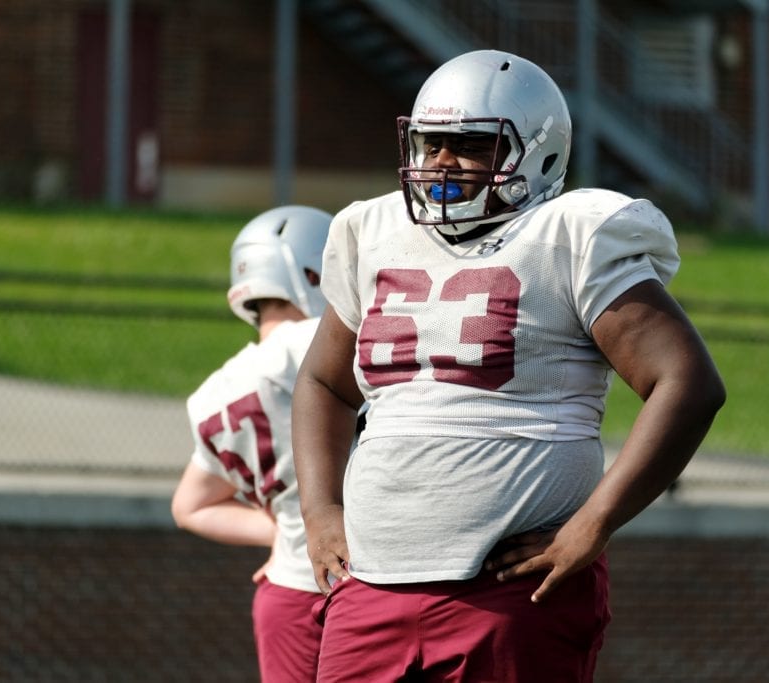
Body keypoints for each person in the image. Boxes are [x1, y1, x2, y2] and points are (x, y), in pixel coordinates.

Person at [292, 50, 726, 682]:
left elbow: (686, 382)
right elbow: (324, 382)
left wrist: (593, 525)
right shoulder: (372, 229)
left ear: (537, 154)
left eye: (467, 145)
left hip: (506, 594)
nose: (441, 164)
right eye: (429, 143)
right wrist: (319, 510)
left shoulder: (569, 233)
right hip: (371, 586)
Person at [171, 205, 332, 683]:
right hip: (360, 582)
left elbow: (189, 507)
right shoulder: (310, 343)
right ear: (313, 272)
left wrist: (283, 534)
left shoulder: (212, 395)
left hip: (288, 590)